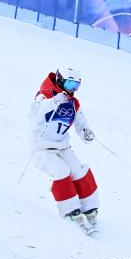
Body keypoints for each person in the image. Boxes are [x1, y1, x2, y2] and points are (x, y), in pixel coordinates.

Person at [29, 68, 99, 233]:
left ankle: (89, 208)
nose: (72, 89)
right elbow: (35, 114)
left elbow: (81, 124)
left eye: (76, 86)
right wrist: (53, 101)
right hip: (42, 149)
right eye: (69, 84)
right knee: (62, 171)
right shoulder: (45, 94)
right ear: (60, 80)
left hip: (63, 147)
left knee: (79, 170)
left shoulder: (73, 103)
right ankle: (70, 211)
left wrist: (86, 133)